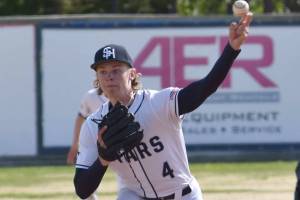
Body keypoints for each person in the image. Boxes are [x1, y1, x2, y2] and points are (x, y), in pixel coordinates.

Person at [74, 12, 253, 200]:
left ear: (133, 74)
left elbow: (205, 87)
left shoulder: (158, 103)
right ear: (97, 78)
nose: (109, 76)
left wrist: (231, 49)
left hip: (182, 195)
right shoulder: (93, 125)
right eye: (102, 71)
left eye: (116, 70)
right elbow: (82, 190)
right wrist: (103, 159)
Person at [67, 81, 107, 165]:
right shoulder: (91, 96)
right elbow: (80, 117)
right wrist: (75, 143)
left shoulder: (126, 96)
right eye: (103, 72)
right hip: (95, 144)